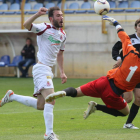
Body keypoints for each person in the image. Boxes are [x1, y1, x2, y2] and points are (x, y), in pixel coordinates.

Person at [46, 15, 140, 123]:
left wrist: (115, 22)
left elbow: (122, 34)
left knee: (76, 92)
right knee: (125, 112)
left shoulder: (131, 51)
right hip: (113, 94)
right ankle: (97, 107)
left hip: (103, 81)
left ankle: (63, 92)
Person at [0, 7, 67, 140]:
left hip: (48, 70)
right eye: (58, 16)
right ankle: (49, 134)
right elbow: (26, 25)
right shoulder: (44, 28)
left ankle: (12, 96)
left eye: (62, 15)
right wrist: (37, 14)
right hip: (41, 69)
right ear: (51, 18)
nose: (61, 18)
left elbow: (60, 54)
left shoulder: (63, 34)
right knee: (51, 100)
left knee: (41, 105)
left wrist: (62, 72)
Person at [112, 18, 140, 129]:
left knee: (138, 99)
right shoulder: (130, 39)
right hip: (127, 73)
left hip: (138, 74)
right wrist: (118, 58)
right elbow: (116, 48)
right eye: (139, 25)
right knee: (127, 99)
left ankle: (128, 123)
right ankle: (110, 98)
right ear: (135, 27)